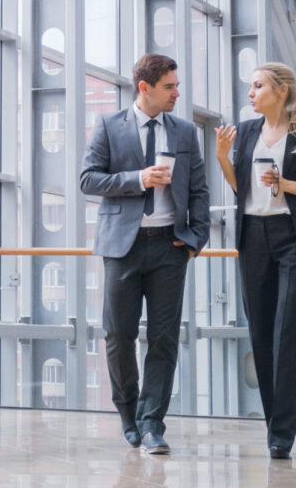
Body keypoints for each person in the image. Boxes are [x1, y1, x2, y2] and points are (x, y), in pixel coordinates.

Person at [80, 54, 211, 455]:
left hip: (170, 247)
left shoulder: (186, 132)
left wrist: (195, 240)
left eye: (175, 85)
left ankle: (152, 422)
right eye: (169, 86)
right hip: (123, 247)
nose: (176, 93)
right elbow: (88, 178)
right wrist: (138, 179)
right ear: (145, 88)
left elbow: (201, 191)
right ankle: (128, 413)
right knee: (118, 334)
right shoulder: (108, 126)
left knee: (164, 338)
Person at [214, 62, 296, 460]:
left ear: (281, 90)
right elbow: (241, 188)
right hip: (254, 238)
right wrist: (222, 158)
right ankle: (275, 424)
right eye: (250, 86)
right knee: (262, 335)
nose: (251, 93)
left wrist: (285, 185)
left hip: (294, 238)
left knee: (288, 334)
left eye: (258, 85)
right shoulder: (247, 131)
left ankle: (283, 432)